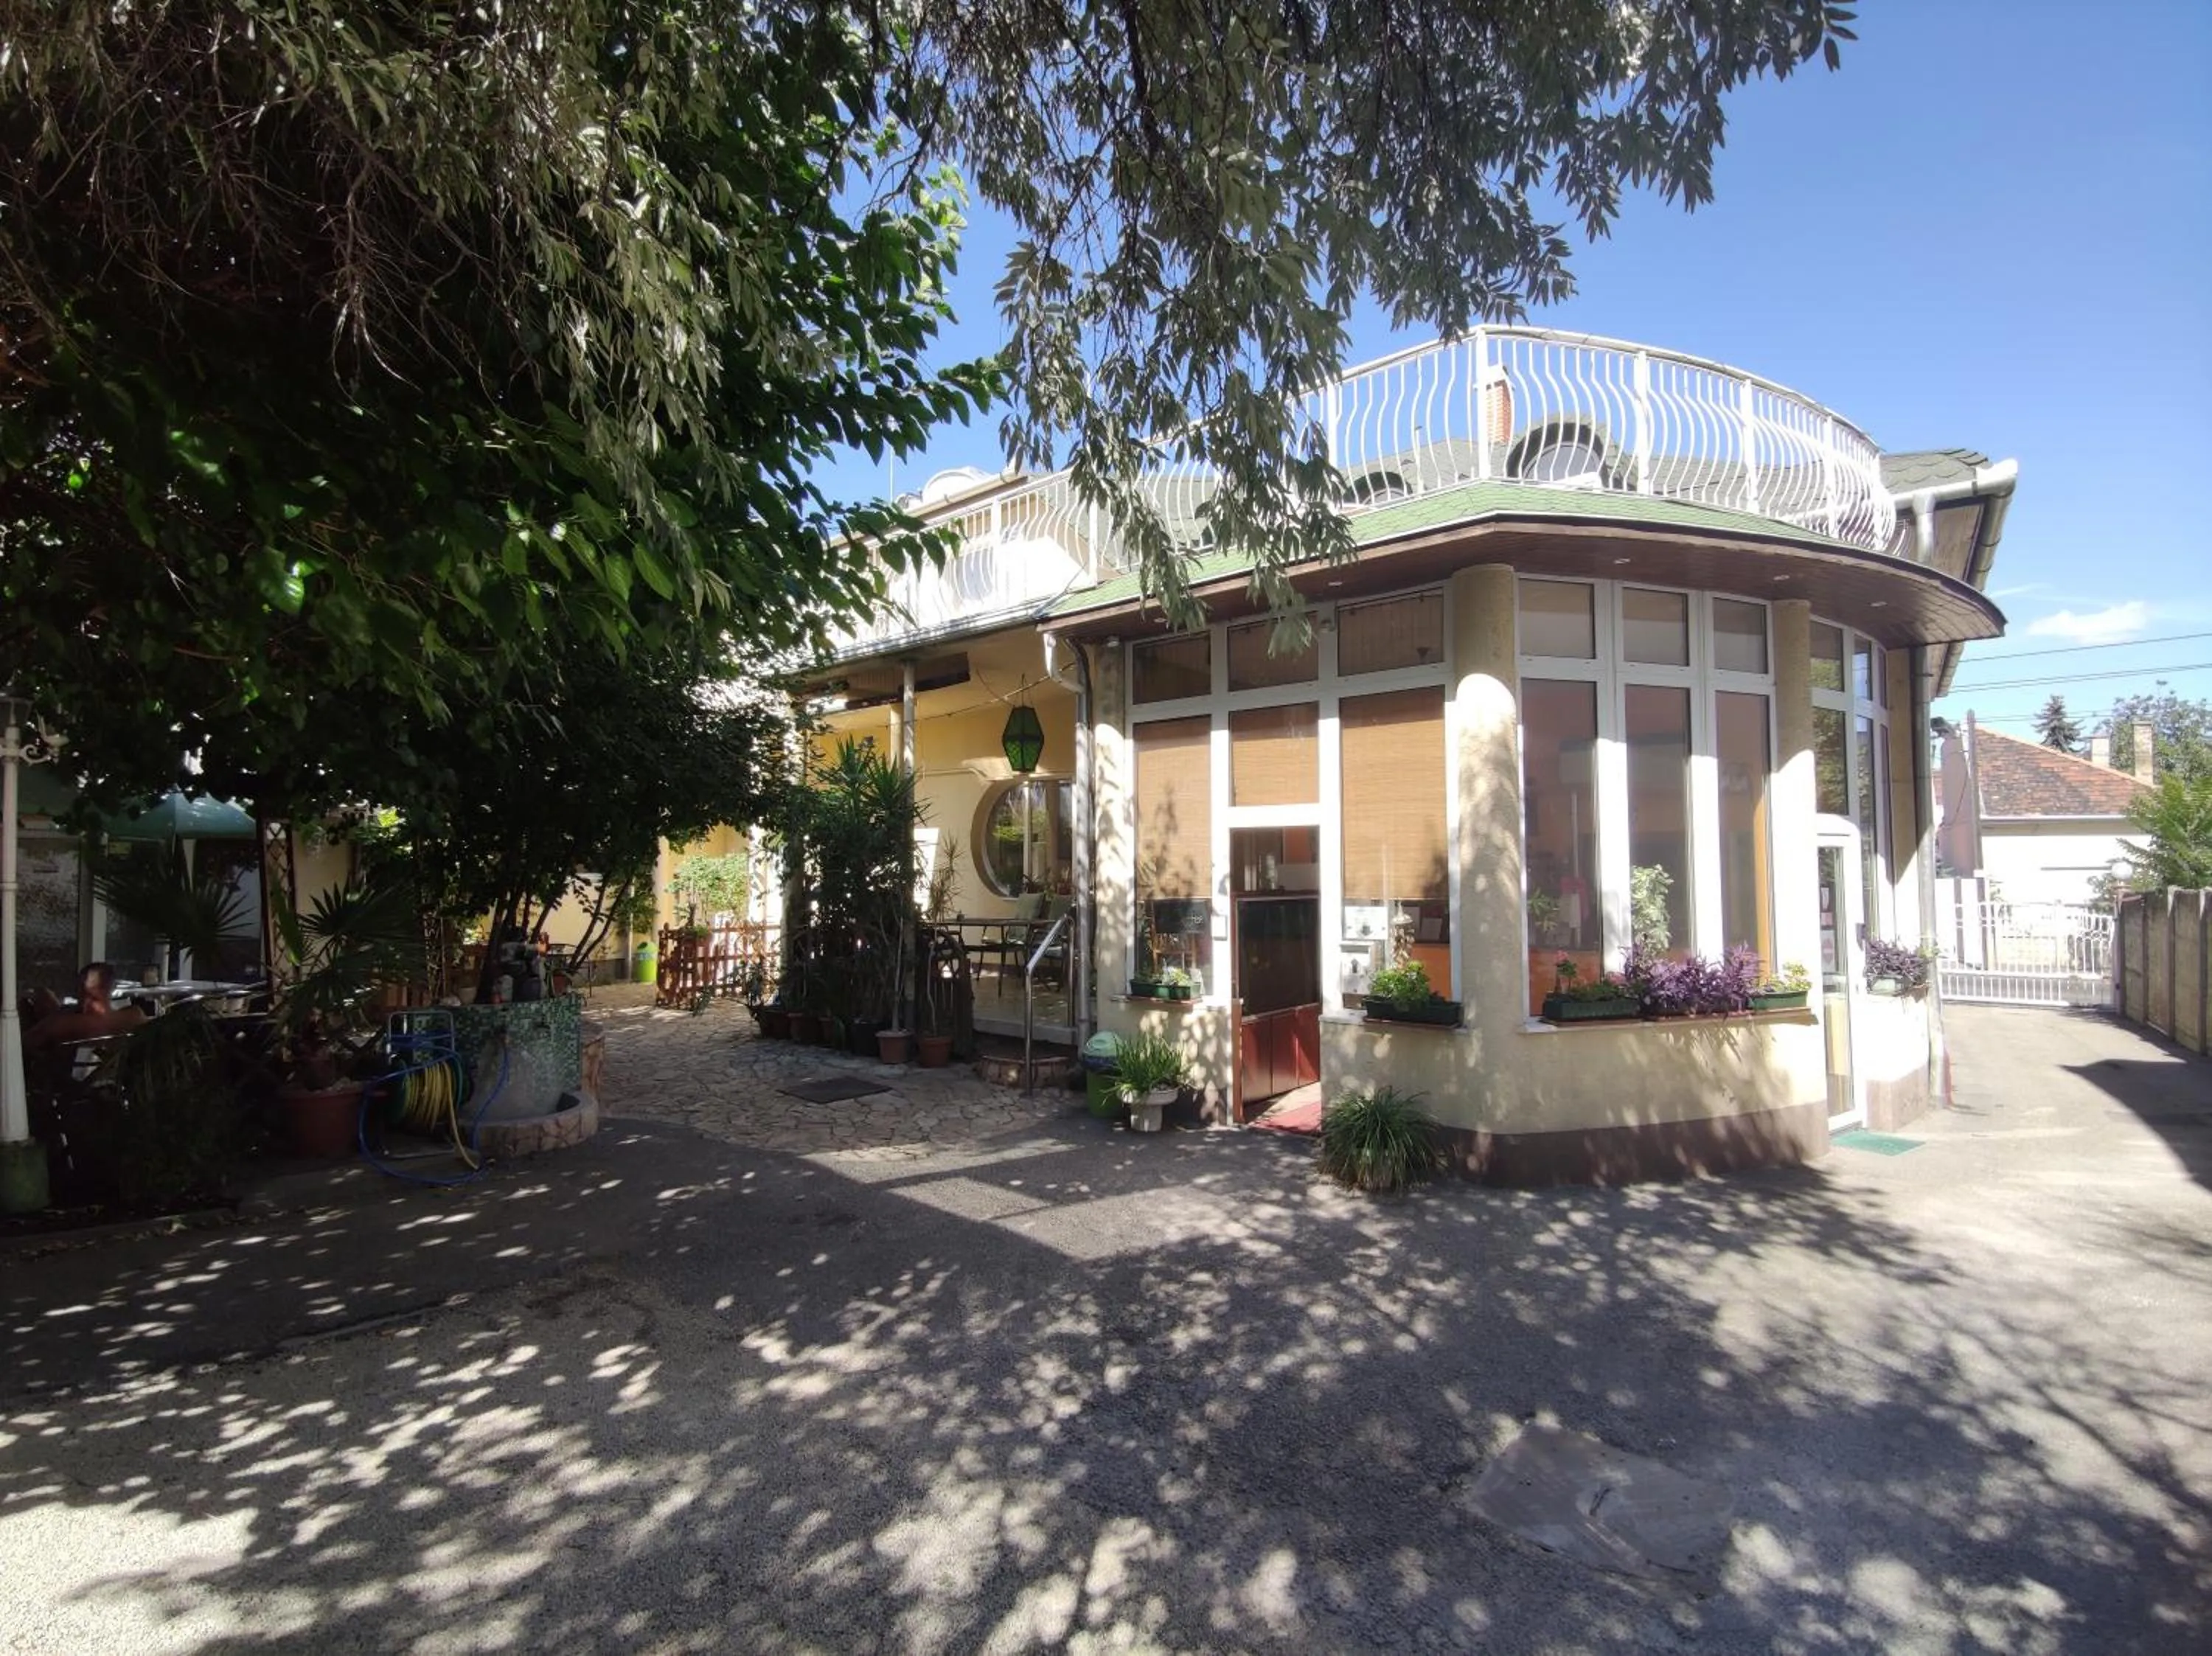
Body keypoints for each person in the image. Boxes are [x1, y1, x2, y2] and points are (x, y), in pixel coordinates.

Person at [24, 963, 150, 1054]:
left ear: (80, 989)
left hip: (70, 1087)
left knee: (42, 994)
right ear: (110, 990)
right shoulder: (134, 1016)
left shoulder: (60, 1024)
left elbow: (20, 1047)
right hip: (119, 1085)